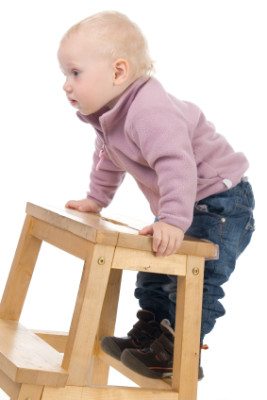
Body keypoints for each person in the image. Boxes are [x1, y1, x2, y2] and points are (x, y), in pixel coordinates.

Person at [57, 10, 255, 380]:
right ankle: (150, 332)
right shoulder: (109, 116)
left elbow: (176, 164)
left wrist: (173, 220)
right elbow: (109, 158)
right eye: (65, 75)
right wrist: (96, 200)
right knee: (154, 268)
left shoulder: (149, 110)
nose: (67, 85)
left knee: (202, 278)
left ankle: (180, 350)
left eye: (75, 73)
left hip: (220, 203)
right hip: (184, 203)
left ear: (118, 72)